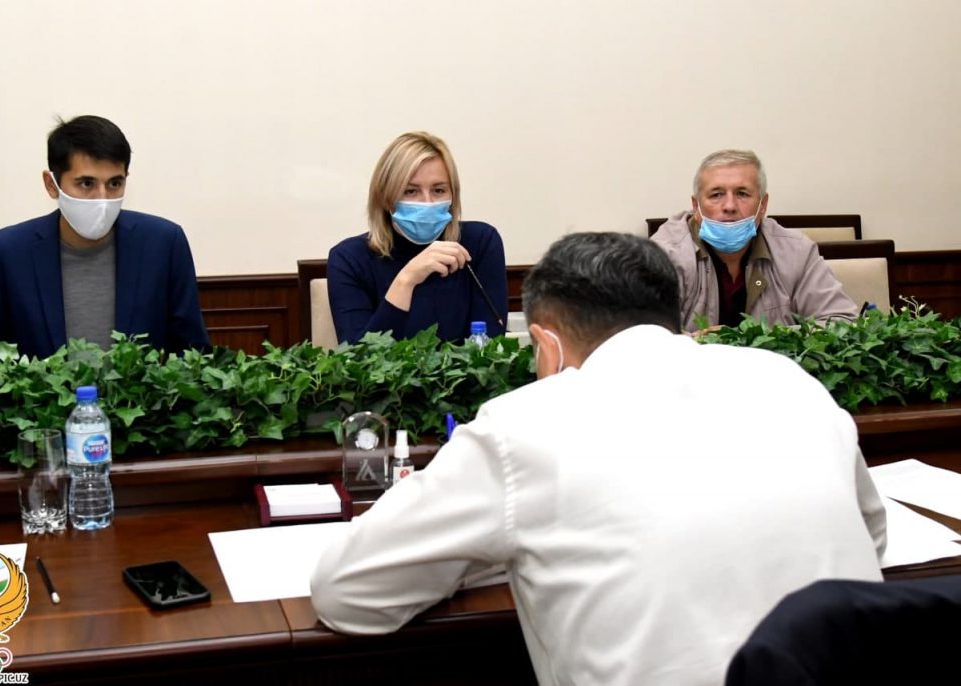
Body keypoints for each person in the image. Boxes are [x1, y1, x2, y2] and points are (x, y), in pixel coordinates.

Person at [311, 232, 886, 686]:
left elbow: (346, 594)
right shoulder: (787, 379)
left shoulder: (524, 425)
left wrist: (492, 553)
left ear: (547, 343)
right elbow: (873, 537)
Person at [0, 115, 210, 359]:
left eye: (114, 183)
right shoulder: (8, 253)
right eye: (86, 183)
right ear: (51, 184)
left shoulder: (164, 245)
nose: (102, 198)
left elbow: (193, 356)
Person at [326, 131, 507, 344]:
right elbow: (358, 357)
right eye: (411, 191)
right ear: (385, 198)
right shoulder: (348, 259)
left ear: (453, 195)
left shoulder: (480, 243)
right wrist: (407, 280)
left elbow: (490, 345)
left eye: (438, 190)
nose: (427, 203)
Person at [651, 149, 857, 333]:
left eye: (742, 194)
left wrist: (755, 338)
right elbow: (644, 335)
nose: (729, 206)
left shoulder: (796, 251)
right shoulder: (663, 256)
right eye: (716, 194)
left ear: (763, 205)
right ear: (696, 207)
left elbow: (842, 323)